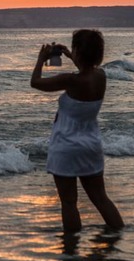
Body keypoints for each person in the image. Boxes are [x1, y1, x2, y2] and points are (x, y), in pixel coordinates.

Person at [30, 29, 124, 232]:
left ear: (79, 52)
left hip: (66, 146)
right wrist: (73, 56)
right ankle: (119, 237)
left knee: (69, 202)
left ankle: (71, 251)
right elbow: (87, 68)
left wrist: (41, 59)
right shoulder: (101, 76)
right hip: (91, 145)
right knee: (101, 199)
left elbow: (35, 82)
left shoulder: (71, 81)